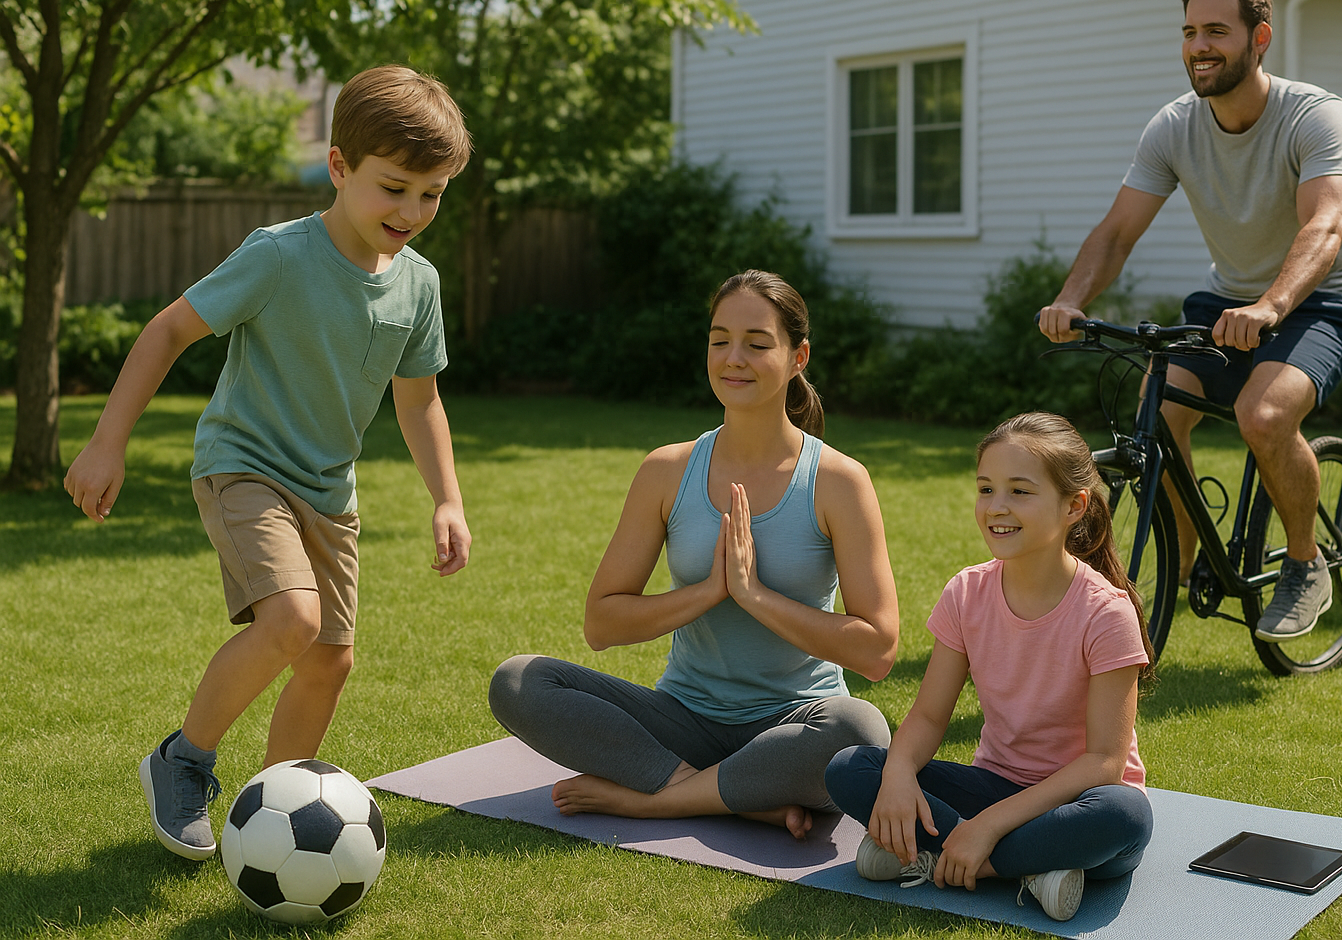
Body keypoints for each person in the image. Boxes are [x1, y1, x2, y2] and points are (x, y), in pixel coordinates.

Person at [62, 65, 474, 861]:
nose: (413, 212)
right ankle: (182, 761)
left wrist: (447, 499)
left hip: (330, 489)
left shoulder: (417, 286)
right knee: (292, 619)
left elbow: (419, 400)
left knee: (331, 659)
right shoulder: (280, 255)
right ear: (339, 166)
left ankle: (273, 824)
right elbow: (167, 331)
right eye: (395, 188)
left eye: (432, 194)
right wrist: (107, 441)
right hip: (244, 465)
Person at [488, 270, 900, 839]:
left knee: (861, 730)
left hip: (797, 723)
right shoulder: (667, 470)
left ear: (799, 356)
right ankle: (735, 795)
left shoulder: (838, 481)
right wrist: (708, 591)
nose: (734, 358)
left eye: (757, 344)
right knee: (517, 681)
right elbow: (602, 622)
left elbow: (878, 651)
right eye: (719, 340)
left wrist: (753, 595)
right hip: (682, 720)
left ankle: (657, 799)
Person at [1037, 0, 1342, 643]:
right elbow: (1117, 232)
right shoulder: (1174, 127)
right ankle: (1181, 568)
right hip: (1225, 300)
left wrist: (1274, 306)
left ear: (1260, 38)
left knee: (1263, 413)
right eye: (1190, 32)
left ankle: (1305, 564)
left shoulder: (1316, 114)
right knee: (1155, 418)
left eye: (1216, 30)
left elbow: (1325, 228)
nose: (1199, 46)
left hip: (1322, 301)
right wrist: (1071, 298)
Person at [824, 412, 1155, 923]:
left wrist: (988, 826)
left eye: (1020, 492)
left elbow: (1104, 763)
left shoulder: (1107, 613)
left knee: (1125, 817)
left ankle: (940, 852)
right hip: (994, 785)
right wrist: (897, 775)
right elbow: (930, 717)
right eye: (986, 489)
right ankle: (1030, 868)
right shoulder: (966, 593)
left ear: (1075, 506)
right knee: (851, 768)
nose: (996, 507)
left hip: (1080, 802)